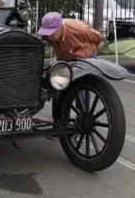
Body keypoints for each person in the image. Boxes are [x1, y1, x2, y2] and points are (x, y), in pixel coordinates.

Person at [37, 12, 103, 140]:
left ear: (61, 28)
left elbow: (98, 38)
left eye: (51, 32)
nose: (48, 36)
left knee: (81, 90)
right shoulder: (50, 36)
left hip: (85, 57)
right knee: (57, 86)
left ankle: (82, 124)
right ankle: (59, 124)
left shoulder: (79, 29)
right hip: (66, 58)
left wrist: (95, 49)